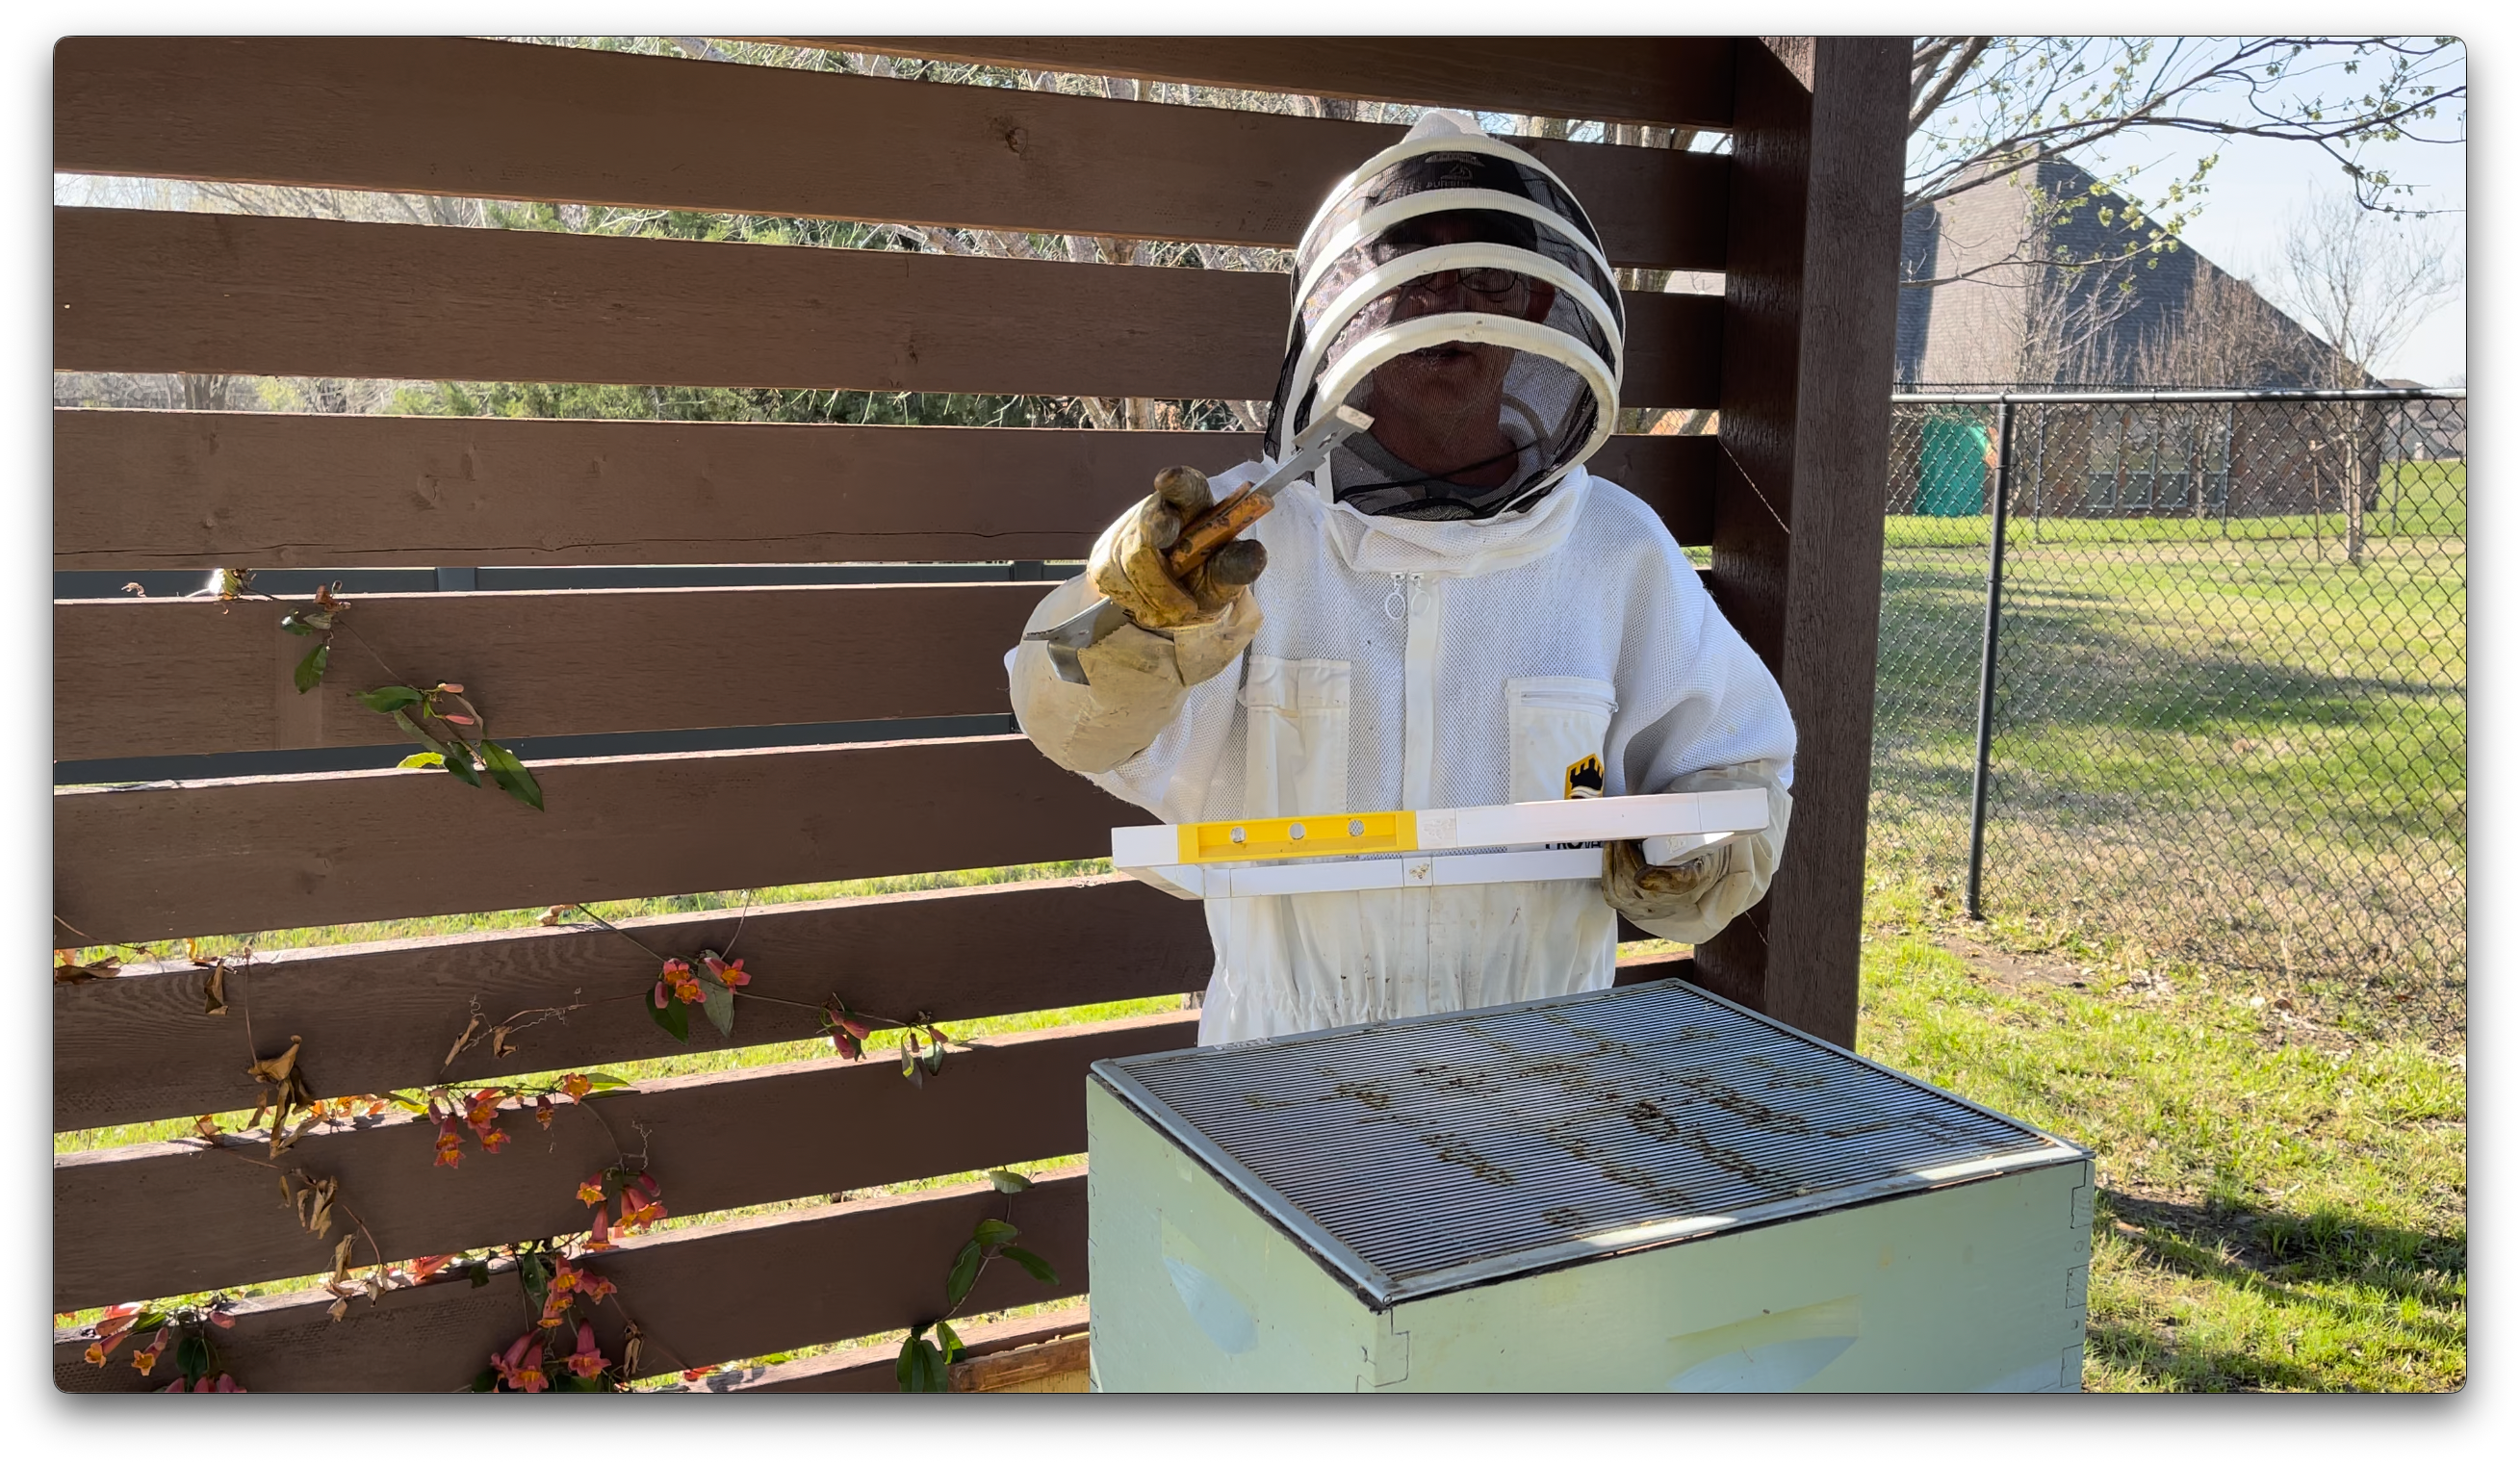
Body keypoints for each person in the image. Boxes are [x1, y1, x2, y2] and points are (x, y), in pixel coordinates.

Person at [1007, 112, 1796, 1044]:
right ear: (1349, 297)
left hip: (1539, 1072)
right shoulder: (1218, 538)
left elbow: (1729, 763)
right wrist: (1132, 639)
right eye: (1410, 265)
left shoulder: (1613, 548)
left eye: (1485, 274)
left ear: (1540, 303)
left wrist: (1691, 851)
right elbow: (1064, 707)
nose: (1445, 299)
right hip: (1280, 1068)